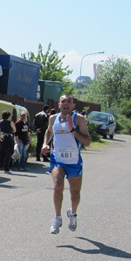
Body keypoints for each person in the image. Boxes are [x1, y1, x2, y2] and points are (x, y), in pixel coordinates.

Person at [42, 94, 91, 234]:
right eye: (63, 101)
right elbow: (49, 131)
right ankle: (57, 217)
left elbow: (87, 142)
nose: (66, 104)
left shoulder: (79, 119)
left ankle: (73, 213)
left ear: (74, 105)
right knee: (58, 186)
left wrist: (73, 130)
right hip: (58, 159)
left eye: (69, 102)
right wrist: (45, 144)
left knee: (75, 194)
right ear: (58, 104)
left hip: (74, 161)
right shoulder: (53, 118)